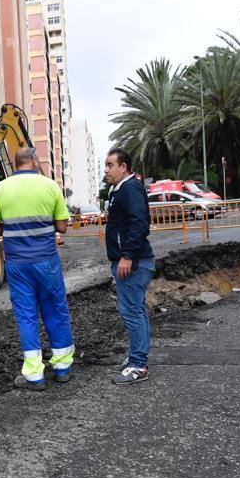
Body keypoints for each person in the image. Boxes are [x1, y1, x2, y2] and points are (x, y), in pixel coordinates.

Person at [0, 147, 75, 391]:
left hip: (17, 264)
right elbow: (63, 226)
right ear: (34, 161)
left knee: (26, 316)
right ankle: (62, 367)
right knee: (56, 310)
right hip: (46, 262)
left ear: (16, 163)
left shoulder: (1, 188)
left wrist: (13, 229)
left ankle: (35, 375)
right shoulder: (50, 186)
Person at [103, 148, 155, 384]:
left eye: (110, 165)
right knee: (136, 311)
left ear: (123, 167)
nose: (106, 170)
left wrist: (127, 255)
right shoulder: (121, 189)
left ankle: (138, 366)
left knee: (132, 312)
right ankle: (137, 357)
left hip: (134, 262)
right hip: (133, 260)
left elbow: (140, 223)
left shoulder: (130, 188)